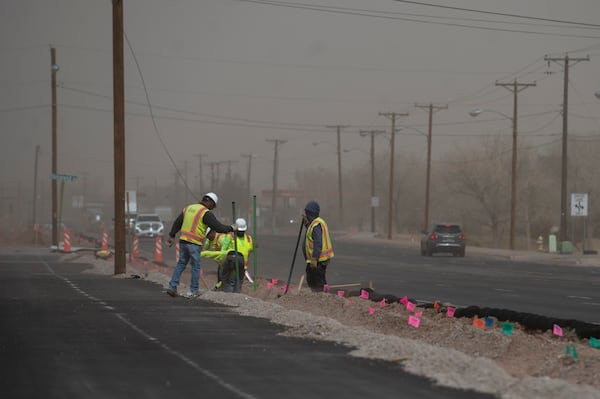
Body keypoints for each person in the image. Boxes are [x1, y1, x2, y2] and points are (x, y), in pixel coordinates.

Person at [165, 192, 236, 298]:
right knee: (195, 267)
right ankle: (193, 290)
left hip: (183, 241)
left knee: (181, 264)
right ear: (210, 202)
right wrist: (231, 228)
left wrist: (171, 235)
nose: (212, 208)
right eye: (213, 206)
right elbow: (219, 228)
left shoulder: (188, 208)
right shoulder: (205, 213)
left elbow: (177, 222)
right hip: (194, 243)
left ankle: (172, 287)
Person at [202, 217, 254, 293]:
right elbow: (223, 251)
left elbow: (249, 252)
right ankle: (227, 297)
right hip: (230, 266)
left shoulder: (249, 238)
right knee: (229, 283)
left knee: (236, 285)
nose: (241, 232)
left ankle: (233, 299)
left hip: (241, 267)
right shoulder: (230, 237)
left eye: (242, 231)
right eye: (240, 231)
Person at [302, 200, 334, 291]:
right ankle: (317, 295)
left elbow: (318, 242)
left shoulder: (316, 225)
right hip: (318, 259)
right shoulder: (315, 223)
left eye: (306, 212)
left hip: (319, 259)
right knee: (312, 278)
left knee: (318, 281)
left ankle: (321, 297)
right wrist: (307, 224)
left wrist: (314, 258)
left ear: (309, 213)